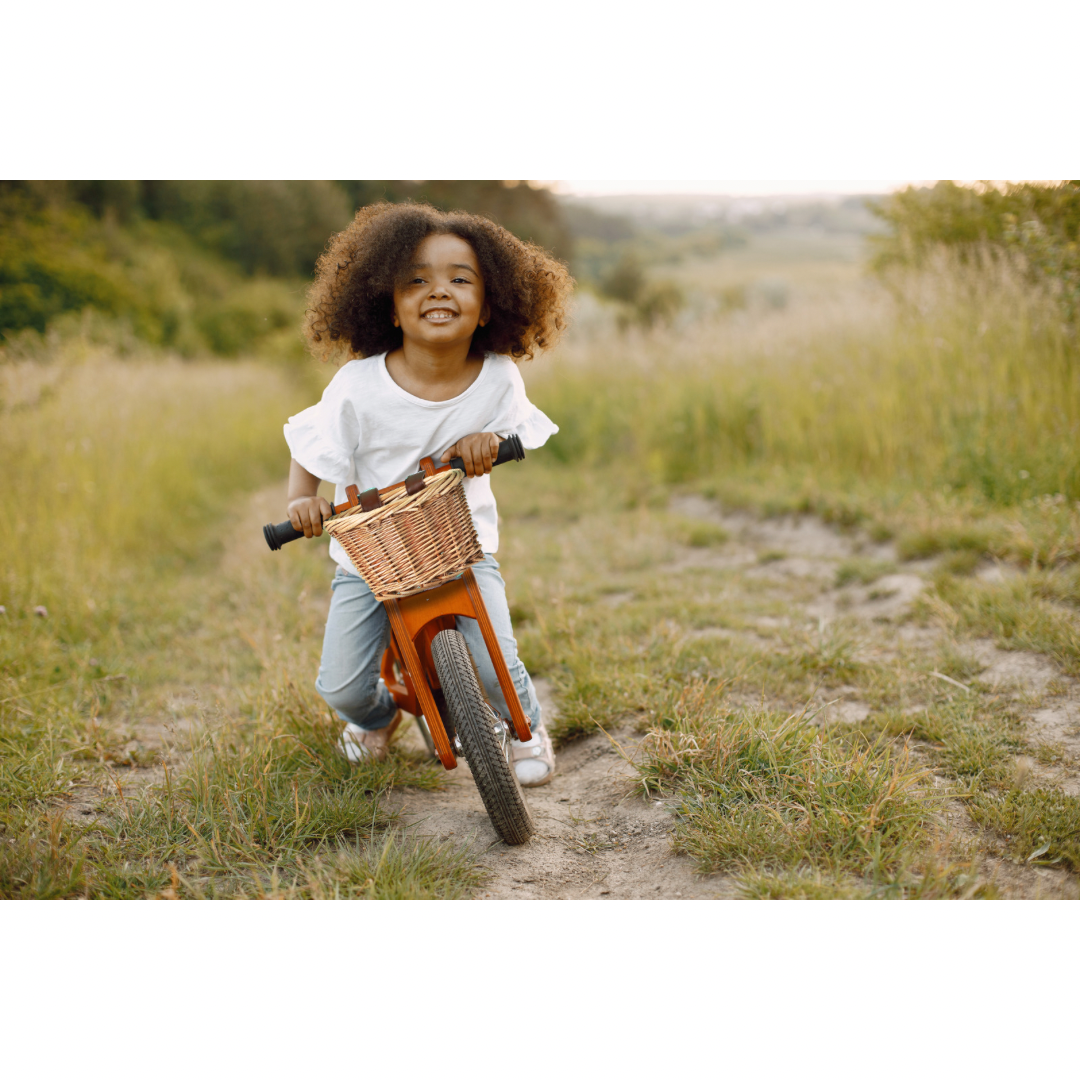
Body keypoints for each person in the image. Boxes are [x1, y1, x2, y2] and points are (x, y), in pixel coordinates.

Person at [282, 201, 572, 787]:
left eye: (459, 280)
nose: (438, 291)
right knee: (339, 684)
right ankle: (377, 718)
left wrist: (489, 441)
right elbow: (311, 442)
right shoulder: (358, 385)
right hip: (368, 558)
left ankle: (525, 728)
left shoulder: (497, 376)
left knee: (494, 661)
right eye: (416, 280)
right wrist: (301, 501)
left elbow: (517, 430)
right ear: (387, 304)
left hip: (459, 548)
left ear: (489, 304)